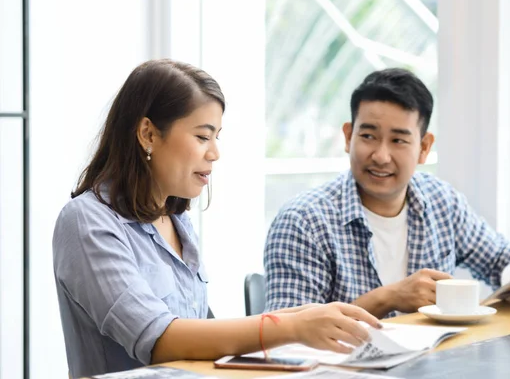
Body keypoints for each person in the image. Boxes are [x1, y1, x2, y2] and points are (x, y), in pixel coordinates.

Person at [52, 59, 381, 378]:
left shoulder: (175, 220)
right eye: (202, 137)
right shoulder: (87, 222)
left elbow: (201, 333)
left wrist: (303, 316)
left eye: (216, 137)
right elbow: (161, 341)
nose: (215, 153)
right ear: (148, 134)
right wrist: (291, 327)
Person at [263, 68, 510, 319]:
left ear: (424, 147)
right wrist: (388, 297)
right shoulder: (302, 221)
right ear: (348, 136)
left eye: (399, 140)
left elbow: (502, 261)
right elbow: (282, 335)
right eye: (369, 136)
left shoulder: (441, 202)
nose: (381, 156)